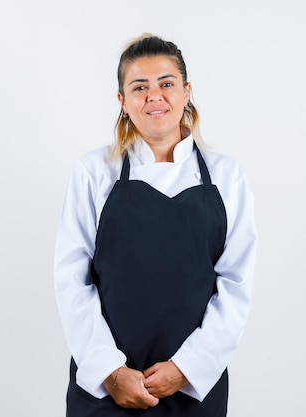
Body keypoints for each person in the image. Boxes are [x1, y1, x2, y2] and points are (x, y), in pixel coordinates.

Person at [53, 33, 257, 417]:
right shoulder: (93, 173)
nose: (155, 96)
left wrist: (187, 369)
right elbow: (71, 281)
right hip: (106, 388)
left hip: (194, 388)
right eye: (139, 87)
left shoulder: (228, 178)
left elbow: (236, 285)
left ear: (186, 92)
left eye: (166, 84)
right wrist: (111, 373)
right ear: (123, 101)